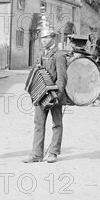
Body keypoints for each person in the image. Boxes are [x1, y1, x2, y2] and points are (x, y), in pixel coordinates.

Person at [23, 20, 67, 164]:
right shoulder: (41, 54)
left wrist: (57, 96)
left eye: (46, 37)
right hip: (42, 96)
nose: (43, 41)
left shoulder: (59, 55)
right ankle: (36, 155)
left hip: (54, 96)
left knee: (56, 124)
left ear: (53, 38)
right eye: (42, 38)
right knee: (38, 124)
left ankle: (53, 152)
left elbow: (62, 78)